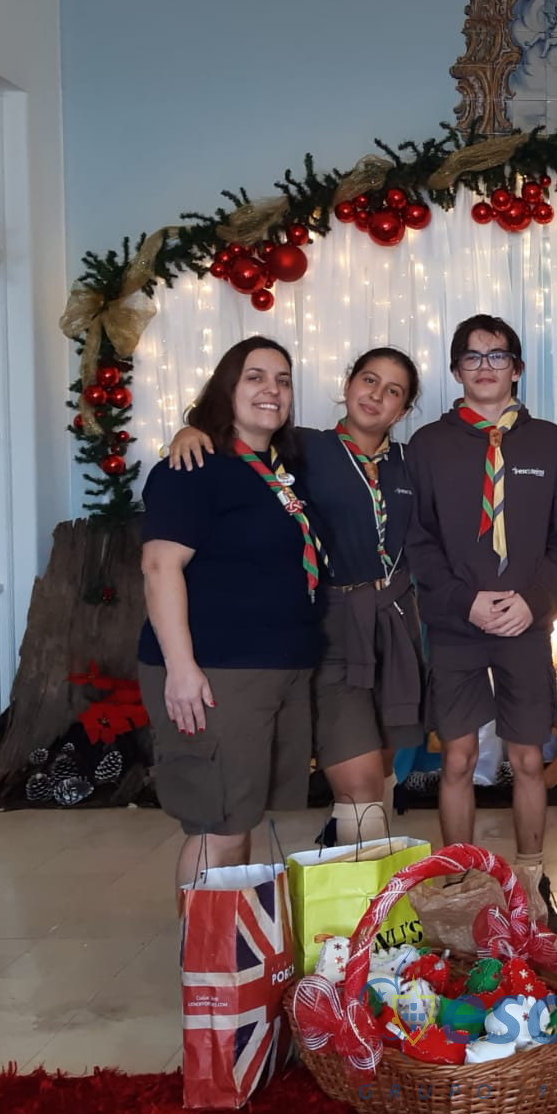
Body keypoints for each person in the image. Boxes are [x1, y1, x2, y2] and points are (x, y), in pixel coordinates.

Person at [167, 348, 427, 848]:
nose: (376, 395)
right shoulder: (301, 448)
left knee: (382, 766)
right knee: (360, 781)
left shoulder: (409, 462)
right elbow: (236, 445)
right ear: (348, 384)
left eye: (393, 390)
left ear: (404, 408)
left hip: (395, 627)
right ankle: (358, 877)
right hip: (330, 626)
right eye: (369, 380)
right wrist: (189, 433)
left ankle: (348, 854)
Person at [138, 336, 323, 914]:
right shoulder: (193, 468)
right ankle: (202, 956)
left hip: (273, 668)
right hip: (216, 669)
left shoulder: (279, 470)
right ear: (227, 387)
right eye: (255, 377)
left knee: (237, 819)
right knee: (214, 824)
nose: (272, 390)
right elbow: (159, 566)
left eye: (283, 380)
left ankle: (231, 949)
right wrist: (181, 668)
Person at [406, 315, 557, 927]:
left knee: (528, 758)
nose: (485, 366)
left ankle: (531, 882)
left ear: (517, 368)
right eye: (472, 357)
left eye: (497, 355)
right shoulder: (427, 445)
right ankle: (461, 883)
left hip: (524, 625)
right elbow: (418, 540)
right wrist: (464, 601)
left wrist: (536, 600)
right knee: (456, 759)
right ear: (456, 370)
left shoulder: (552, 444)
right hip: (457, 625)